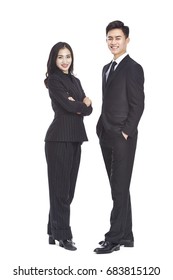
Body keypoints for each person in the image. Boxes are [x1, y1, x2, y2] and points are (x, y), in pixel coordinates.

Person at [94, 20, 145, 254]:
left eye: (118, 38)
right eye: (110, 38)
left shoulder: (133, 68)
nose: (113, 42)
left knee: (119, 187)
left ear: (127, 40)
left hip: (123, 137)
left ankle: (113, 238)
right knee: (119, 187)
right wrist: (101, 127)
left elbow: (138, 104)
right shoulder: (107, 68)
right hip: (106, 134)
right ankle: (126, 235)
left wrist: (126, 131)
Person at [44, 42, 92, 251]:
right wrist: (80, 103)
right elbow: (69, 105)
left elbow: (89, 110)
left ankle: (52, 230)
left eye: (68, 56)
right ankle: (63, 235)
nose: (65, 61)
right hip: (58, 139)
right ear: (54, 60)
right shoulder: (53, 80)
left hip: (75, 138)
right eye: (60, 57)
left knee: (67, 190)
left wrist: (80, 104)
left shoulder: (75, 80)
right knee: (60, 190)